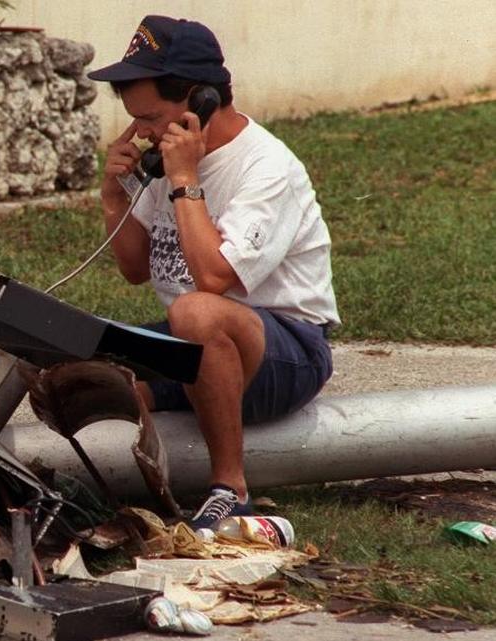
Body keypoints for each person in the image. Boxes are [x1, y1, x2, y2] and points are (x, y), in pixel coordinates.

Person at [87, 15, 340, 529]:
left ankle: (230, 487)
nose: (143, 133)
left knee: (196, 311)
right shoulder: (167, 157)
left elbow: (213, 280)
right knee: (82, 367)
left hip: (284, 350)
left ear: (201, 100)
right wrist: (116, 196)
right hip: (194, 343)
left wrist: (184, 179)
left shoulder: (267, 168)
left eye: (152, 117)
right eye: (136, 120)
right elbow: (136, 269)